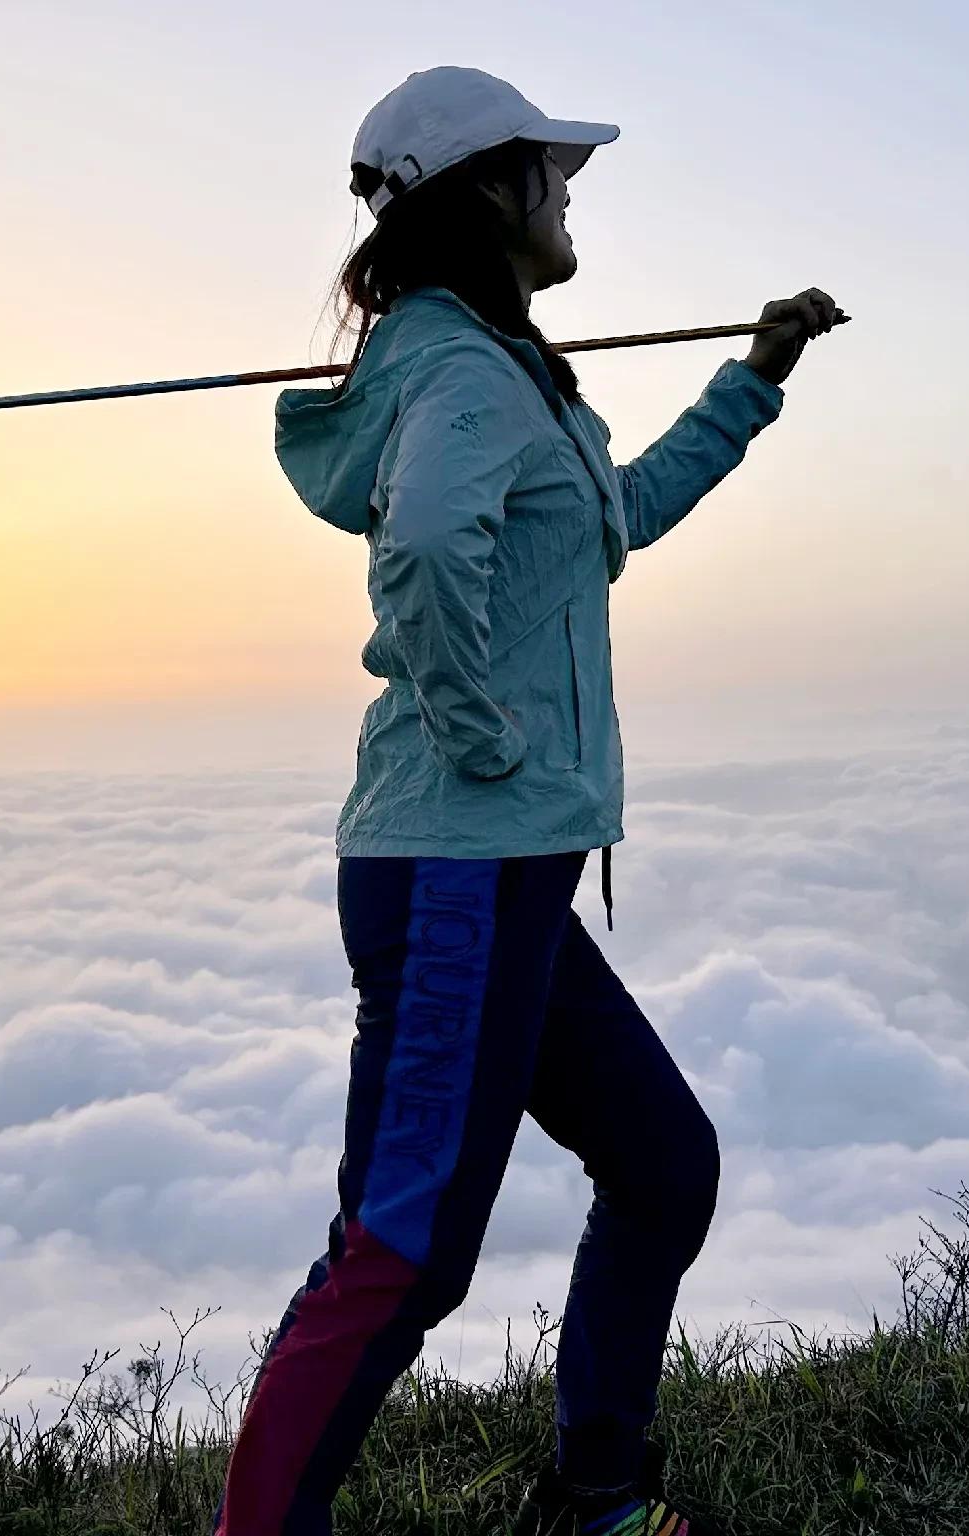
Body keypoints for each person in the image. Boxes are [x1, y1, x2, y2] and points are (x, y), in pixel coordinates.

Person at [206, 66, 843, 1536]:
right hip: (457, 863)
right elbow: (427, 553)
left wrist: (752, 381)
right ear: (486, 192)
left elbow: (614, 517)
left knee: (661, 1164)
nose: (568, 196)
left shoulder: (493, 375)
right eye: (549, 174)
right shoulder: (458, 376)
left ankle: (593, 1500)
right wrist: (483, 742)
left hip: (507, 870)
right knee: (400, 1253)